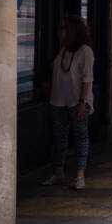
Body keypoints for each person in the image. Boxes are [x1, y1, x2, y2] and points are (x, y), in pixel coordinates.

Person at [42, 15, 94, 190]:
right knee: (58, 138)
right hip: (58, 101)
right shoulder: (63, 50)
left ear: (72, 31)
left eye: (63, 28)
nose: (60, 31)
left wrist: (82, 101)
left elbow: (87, 78)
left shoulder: (85, 51)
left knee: (80, 137)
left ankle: (80, 175)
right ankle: (59, 173)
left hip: (77, 102)